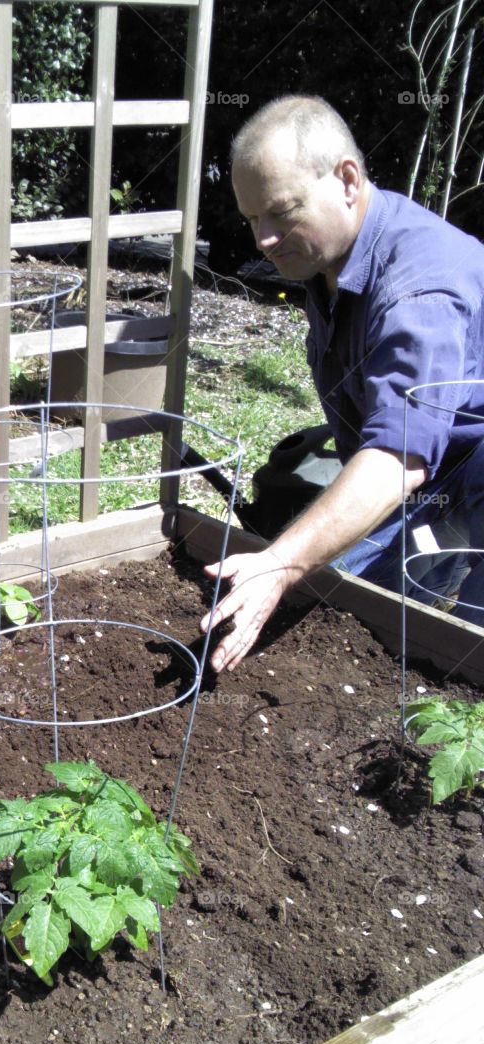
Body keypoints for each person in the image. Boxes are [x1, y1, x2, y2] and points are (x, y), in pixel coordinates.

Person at [202, 95, 484, 672]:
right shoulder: (330, 258)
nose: (263, 238)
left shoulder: (420, 288)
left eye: (280, 212)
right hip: (429, 473)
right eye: (253, 218)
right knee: (342, 610)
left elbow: (398, 456)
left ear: (348, 180)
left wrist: (279, 561)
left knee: (459, 662)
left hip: (462, 471)